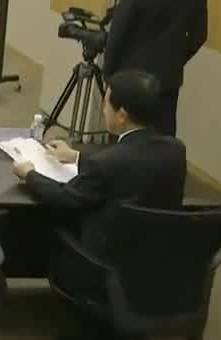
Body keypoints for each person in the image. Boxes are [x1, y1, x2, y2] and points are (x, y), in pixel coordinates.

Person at [13, 69, 186, 305]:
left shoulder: (107, 163)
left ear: (122, 115)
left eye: (105, 104)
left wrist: (29, 174)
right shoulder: (175, 150)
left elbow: (64, 199)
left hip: (103, 262)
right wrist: (75, 157)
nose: (103, 109)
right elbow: (128, 167)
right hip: (153, 257)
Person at [103, 0, 208, 137]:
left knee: (131, 139)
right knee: (163, 137)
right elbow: (199, 35)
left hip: (133, 82)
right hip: (169, 80)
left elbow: (117, 37)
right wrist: (176, 59)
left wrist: (110, 78)